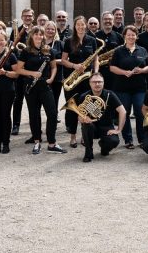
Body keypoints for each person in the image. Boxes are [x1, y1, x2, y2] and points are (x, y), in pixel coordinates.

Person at [15, 26, 66, 155]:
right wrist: (32, 73)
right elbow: (18, 69)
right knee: (34, 115)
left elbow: (54, 67)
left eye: (41, 34)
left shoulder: (49, 51)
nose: (39, 36)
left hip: (44, 86)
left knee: (52, 113)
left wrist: (52, 78)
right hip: (31, 87)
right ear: (31, 36)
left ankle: (52, 143)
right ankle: (37, 141)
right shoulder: (26, 51)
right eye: (36, 34)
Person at [109, 25, 148, 149]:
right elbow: (112, 67)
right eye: (129, 35)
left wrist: (142, 70)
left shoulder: (142, 50)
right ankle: (128, 140)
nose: (131, 37)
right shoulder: (118, 51)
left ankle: (142, 139)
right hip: (122, 88)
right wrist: (124, 72)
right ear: (124, 36)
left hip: (139, 88)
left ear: (136, 36)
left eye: (133, 35)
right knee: (124, 113)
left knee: (140, 112)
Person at [62, 16, 100, 148]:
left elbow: (95, 59)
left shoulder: (92, 40)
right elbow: (63, 60)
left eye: (83, 24)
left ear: (86, 26)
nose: (81, 27)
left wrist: (95, 73)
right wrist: (74, 66)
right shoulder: (68, 41)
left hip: (88, 79)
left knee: (87, 108)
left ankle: (85, 135)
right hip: (73, 79)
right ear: (75, 26)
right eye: (78, 25)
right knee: (73, 109)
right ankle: (72, 136)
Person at [76, 73, 126, 162]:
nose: (97, 84)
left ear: (103, 83)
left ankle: (104, 147)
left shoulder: (110, 95)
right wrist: (83, 119)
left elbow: (123, 111)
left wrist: (119, 130)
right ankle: (88, 152)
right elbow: (79, 116)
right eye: (94, 82)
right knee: (86, 125)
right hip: (91, 127)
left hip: (107, 127)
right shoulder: (84, 97)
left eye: (99, 82)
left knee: (114, 141)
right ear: (90, 83)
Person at [11, 8, 35, 136]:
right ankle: (16, 125)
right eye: (25, 16)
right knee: (18, 99)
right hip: (20, 70)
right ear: (21, 17)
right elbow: (11, 48)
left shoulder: (37, 31)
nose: (27, 18)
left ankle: (34, 128)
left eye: (29, 16)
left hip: (32, 69)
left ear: (33, 17)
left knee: (33, 100)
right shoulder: (16, 31)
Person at [95, 11, 123, 92]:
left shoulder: (119, 37)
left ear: (113, 20)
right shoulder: (95, 36)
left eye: (110, 19)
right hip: (99, 71)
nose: (107, 21)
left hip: (114, 72)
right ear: (102, 21)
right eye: (105, 19)